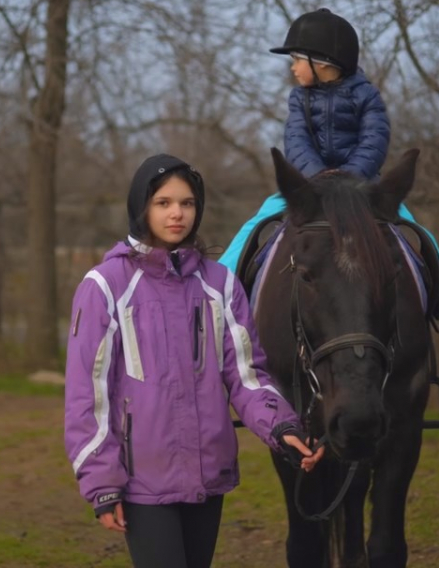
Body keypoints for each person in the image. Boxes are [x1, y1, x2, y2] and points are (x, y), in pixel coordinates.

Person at [64, 154, 322, 568]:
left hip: (207, 474)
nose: (177, 213)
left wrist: (283, 427)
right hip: (141, 479)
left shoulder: (220, 284)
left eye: (187, 203)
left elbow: (247, 376)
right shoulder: (104, 286)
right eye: (163, 202)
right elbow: (87, 395)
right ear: (141, 207)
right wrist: (101, 482)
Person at [219, 8, 439, 320]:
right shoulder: (298, 99)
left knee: (412, 226)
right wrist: (318, 176)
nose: (293, 67)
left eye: (296, 59)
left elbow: (374, 139)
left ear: (322, 62)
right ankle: (221, 282)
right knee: (258, 222)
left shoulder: (367, 96)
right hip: (311, 187)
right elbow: (296, 141)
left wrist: (350, 176)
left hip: (362, 186)